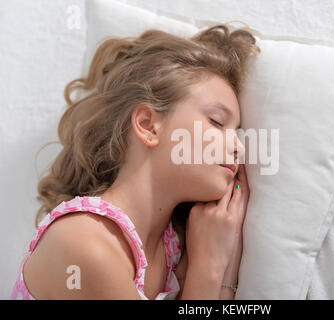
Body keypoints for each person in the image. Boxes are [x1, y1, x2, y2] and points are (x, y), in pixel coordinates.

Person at [10, 23, 260, 300]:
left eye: (237, 132)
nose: (238, 147)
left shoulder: (176, 247)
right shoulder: (85, 244)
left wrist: (228, 257)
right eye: (216, 122)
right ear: (148, 125)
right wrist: (209, 267)